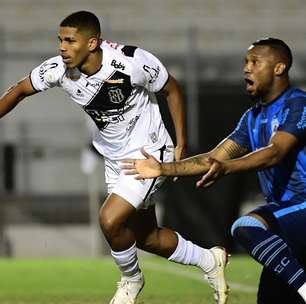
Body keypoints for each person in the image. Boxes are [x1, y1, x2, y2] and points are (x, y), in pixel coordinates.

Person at [0, 11, 229, 304]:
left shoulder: (131, 62)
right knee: (148, 238)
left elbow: (172, 89)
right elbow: (19, 89)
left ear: (92, 43)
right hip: (115, 157)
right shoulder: (58, 70)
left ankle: (131, 280)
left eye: (70, 40)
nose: (62, 47)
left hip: (149, 152)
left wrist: (181, 144)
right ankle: (210, 260)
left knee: (109, 220)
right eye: (60, 40)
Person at [123, 37, 306, 303]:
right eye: (245, 62)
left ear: (279, 68)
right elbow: (213, 158)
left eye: (255, 62)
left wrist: (228, 167)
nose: (246, 68)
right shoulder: (252, 118)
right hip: (286, 219)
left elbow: (275, 152)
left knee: (246, 226)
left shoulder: (298, 104)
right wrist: (161, 167)